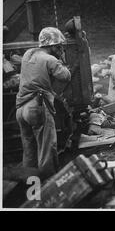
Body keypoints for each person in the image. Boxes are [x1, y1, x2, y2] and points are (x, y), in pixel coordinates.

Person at [16, 27, 71, 177]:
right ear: (53, 46)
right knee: (47, 148)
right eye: (59, 46)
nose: (60, 48)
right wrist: (62, 59)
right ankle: (48, 184)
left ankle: (31, 189)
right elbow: (66, 76)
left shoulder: (28, 54)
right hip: (37, 107)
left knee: (29, 151)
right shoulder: (51, 60)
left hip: (21, 109)